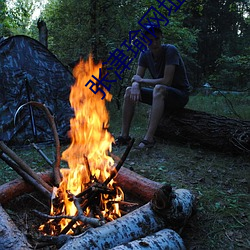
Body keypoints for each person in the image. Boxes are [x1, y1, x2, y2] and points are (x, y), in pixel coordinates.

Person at [115, 23, 191, 148]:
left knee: (159, 88)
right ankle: (124, 136)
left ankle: (149, 138)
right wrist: (134, 85)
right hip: (160, 95)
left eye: (157, 39)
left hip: (179, 95)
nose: (154, 43)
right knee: (129, 91)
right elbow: (136, 78)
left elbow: (167, 81)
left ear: (161, 37)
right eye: (150, 40)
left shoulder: (170, 50)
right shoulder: (144, 54)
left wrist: (140, 81)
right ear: (145, 40)